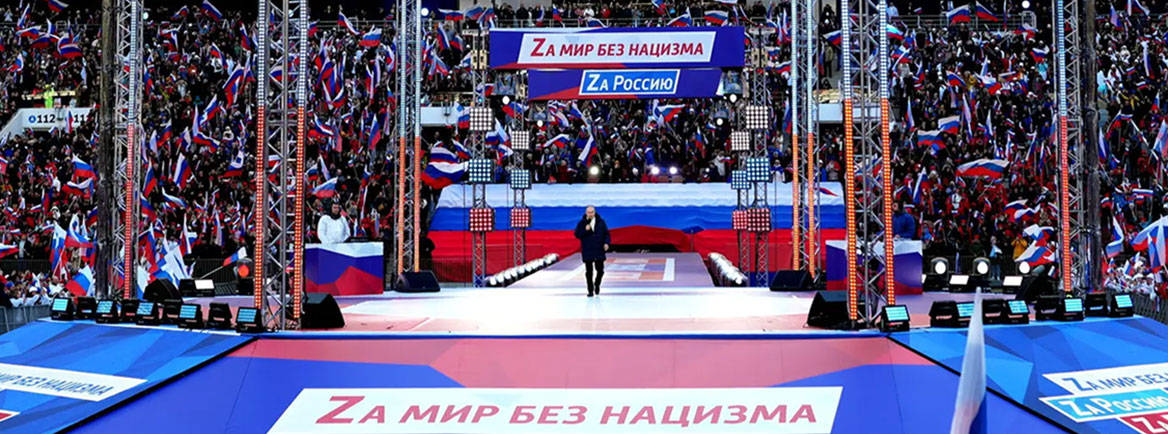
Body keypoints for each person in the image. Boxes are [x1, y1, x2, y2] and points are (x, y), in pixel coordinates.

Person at [574, 206, 610, 297]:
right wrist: (585, 230)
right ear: (586, 213)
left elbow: (606, 234)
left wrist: (606, 243)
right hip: (587, 250)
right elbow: (577, 234)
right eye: (589, 212)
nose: (590, 214)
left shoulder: (601, 222)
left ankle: (597, 284)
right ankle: (590, 290)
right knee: (589, 272)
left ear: (595, 212)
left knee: (600, 270)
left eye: (592, 212)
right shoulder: (582, 223)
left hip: (599, 249)